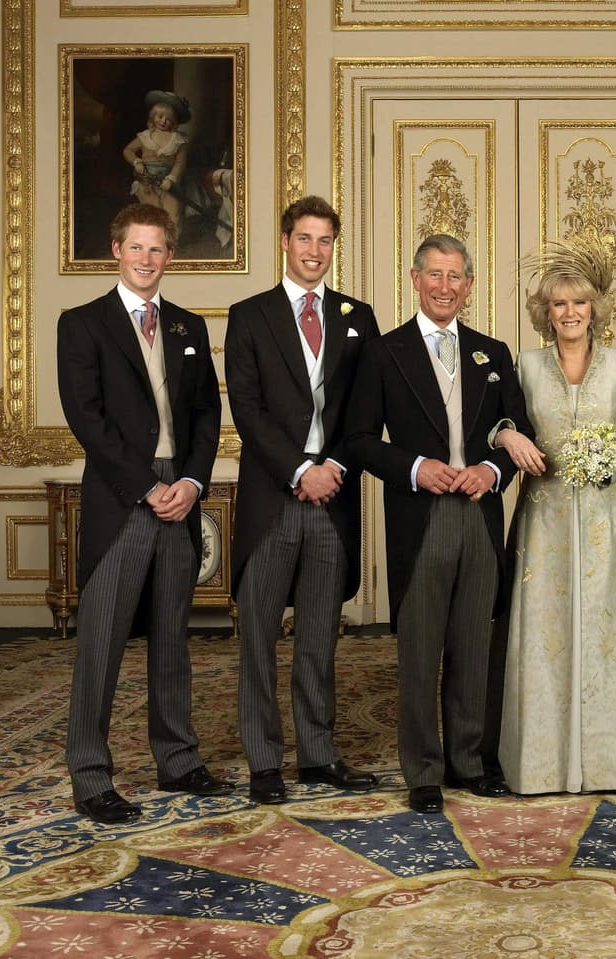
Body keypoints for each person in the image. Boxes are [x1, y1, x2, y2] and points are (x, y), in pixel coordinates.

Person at [345, 234, 534, 814]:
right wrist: (415, 467)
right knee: (421, 650)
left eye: (456, 277)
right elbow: (356, 441)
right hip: (420, 517)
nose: (445, 287)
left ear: (469, 286)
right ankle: (423, 770)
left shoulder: (493, 352)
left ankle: (469, 762)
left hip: (478, 516)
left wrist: (491, 470)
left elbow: (518, 428)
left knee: (474, 646)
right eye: (435, 275)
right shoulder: (384, 353)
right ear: (414, 278)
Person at [57, 202, 229, 824]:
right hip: (121, 496)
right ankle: (91, 774)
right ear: (115, 249)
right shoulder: (82, 324)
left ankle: (178, 760)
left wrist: (190, 480)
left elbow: (207, 412)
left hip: (178, 493)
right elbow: (88, 419)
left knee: (171, 639)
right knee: (101, 642)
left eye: (157, 250)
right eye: (137, 248)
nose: (147, 260)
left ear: (170, 257)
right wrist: (144, 486)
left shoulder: (187, 326)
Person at [225, 197, 381, 806]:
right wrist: (298, 471)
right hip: (274, 498)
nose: (315, 251)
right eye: (305, 239)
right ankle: (264, 761)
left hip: (333, 498)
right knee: (258, 638)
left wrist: (334, 466)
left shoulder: (356, 316)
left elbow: (364, 409)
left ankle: (318, 756)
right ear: (285, 241)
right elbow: (248, 409)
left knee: (319, 637)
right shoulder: (250, 315)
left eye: (325, 241)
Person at [490, 243, 616, 794]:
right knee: (546, 634)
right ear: (545, 312)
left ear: (594, 307)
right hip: (546, 521)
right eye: (558, 304)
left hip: (607, 522)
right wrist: (506, 434)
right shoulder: (527, 366)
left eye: (578, 303)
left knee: (609, 634)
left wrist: (615, 461)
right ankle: (541, 766)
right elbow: (501, 421)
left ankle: (614, 765)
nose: (569, 313)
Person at [122, 90, 190, 242]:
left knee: (173, 212)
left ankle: (170, 243)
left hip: (168, 183)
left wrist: (171, 179)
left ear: (175, 121)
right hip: (147, 182)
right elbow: (128, 150)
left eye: (169, 119)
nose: (164, 121)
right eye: (160, 117)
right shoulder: (145, 136)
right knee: (153, 212)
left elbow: (180, 163)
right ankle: (154, 242)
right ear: (153, 116)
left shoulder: (179, 140)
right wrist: (136, 162)